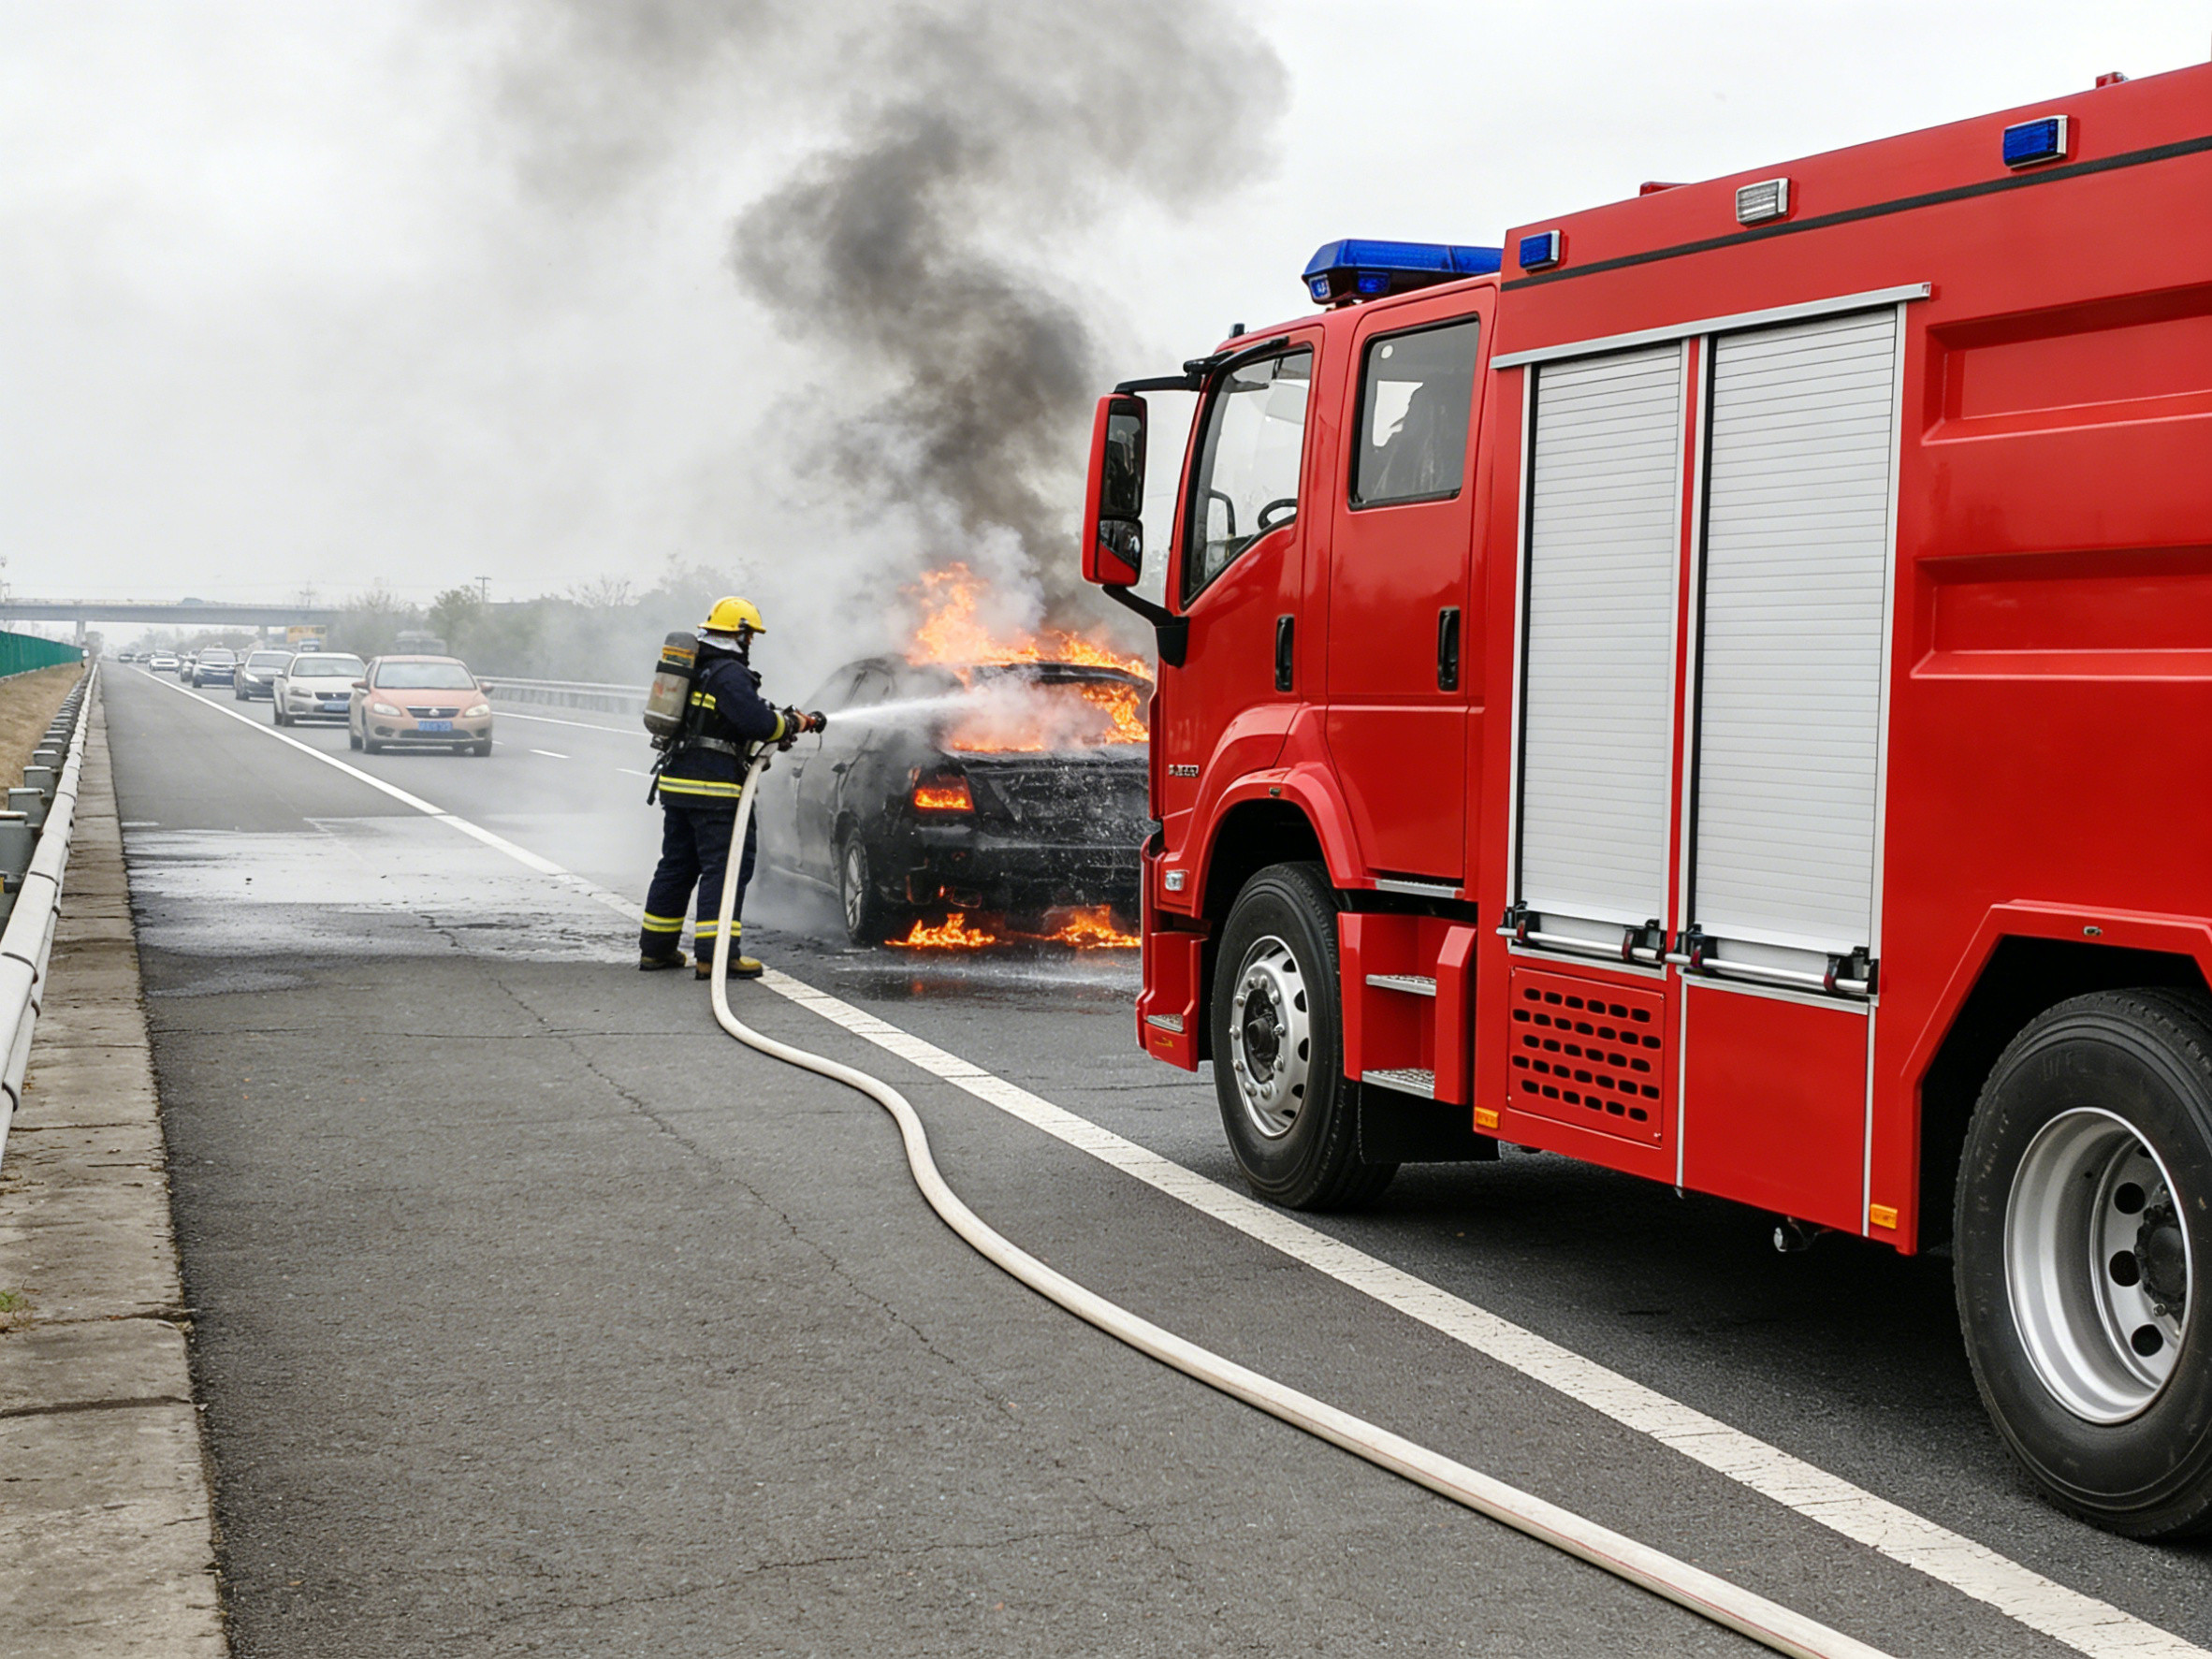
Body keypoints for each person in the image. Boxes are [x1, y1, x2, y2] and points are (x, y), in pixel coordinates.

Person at [639, 597, 822, 980]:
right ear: (738, 633)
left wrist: (783, 718)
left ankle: (657, 950)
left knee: (677, 866)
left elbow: (733, 716)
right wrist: (789, 725)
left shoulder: (698, 668)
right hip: (714, 790)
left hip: (678, 783)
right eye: (749, 636)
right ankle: (716, 956)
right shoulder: (729, 673)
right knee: (725, 870)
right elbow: (757, 722)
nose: (750, 643)